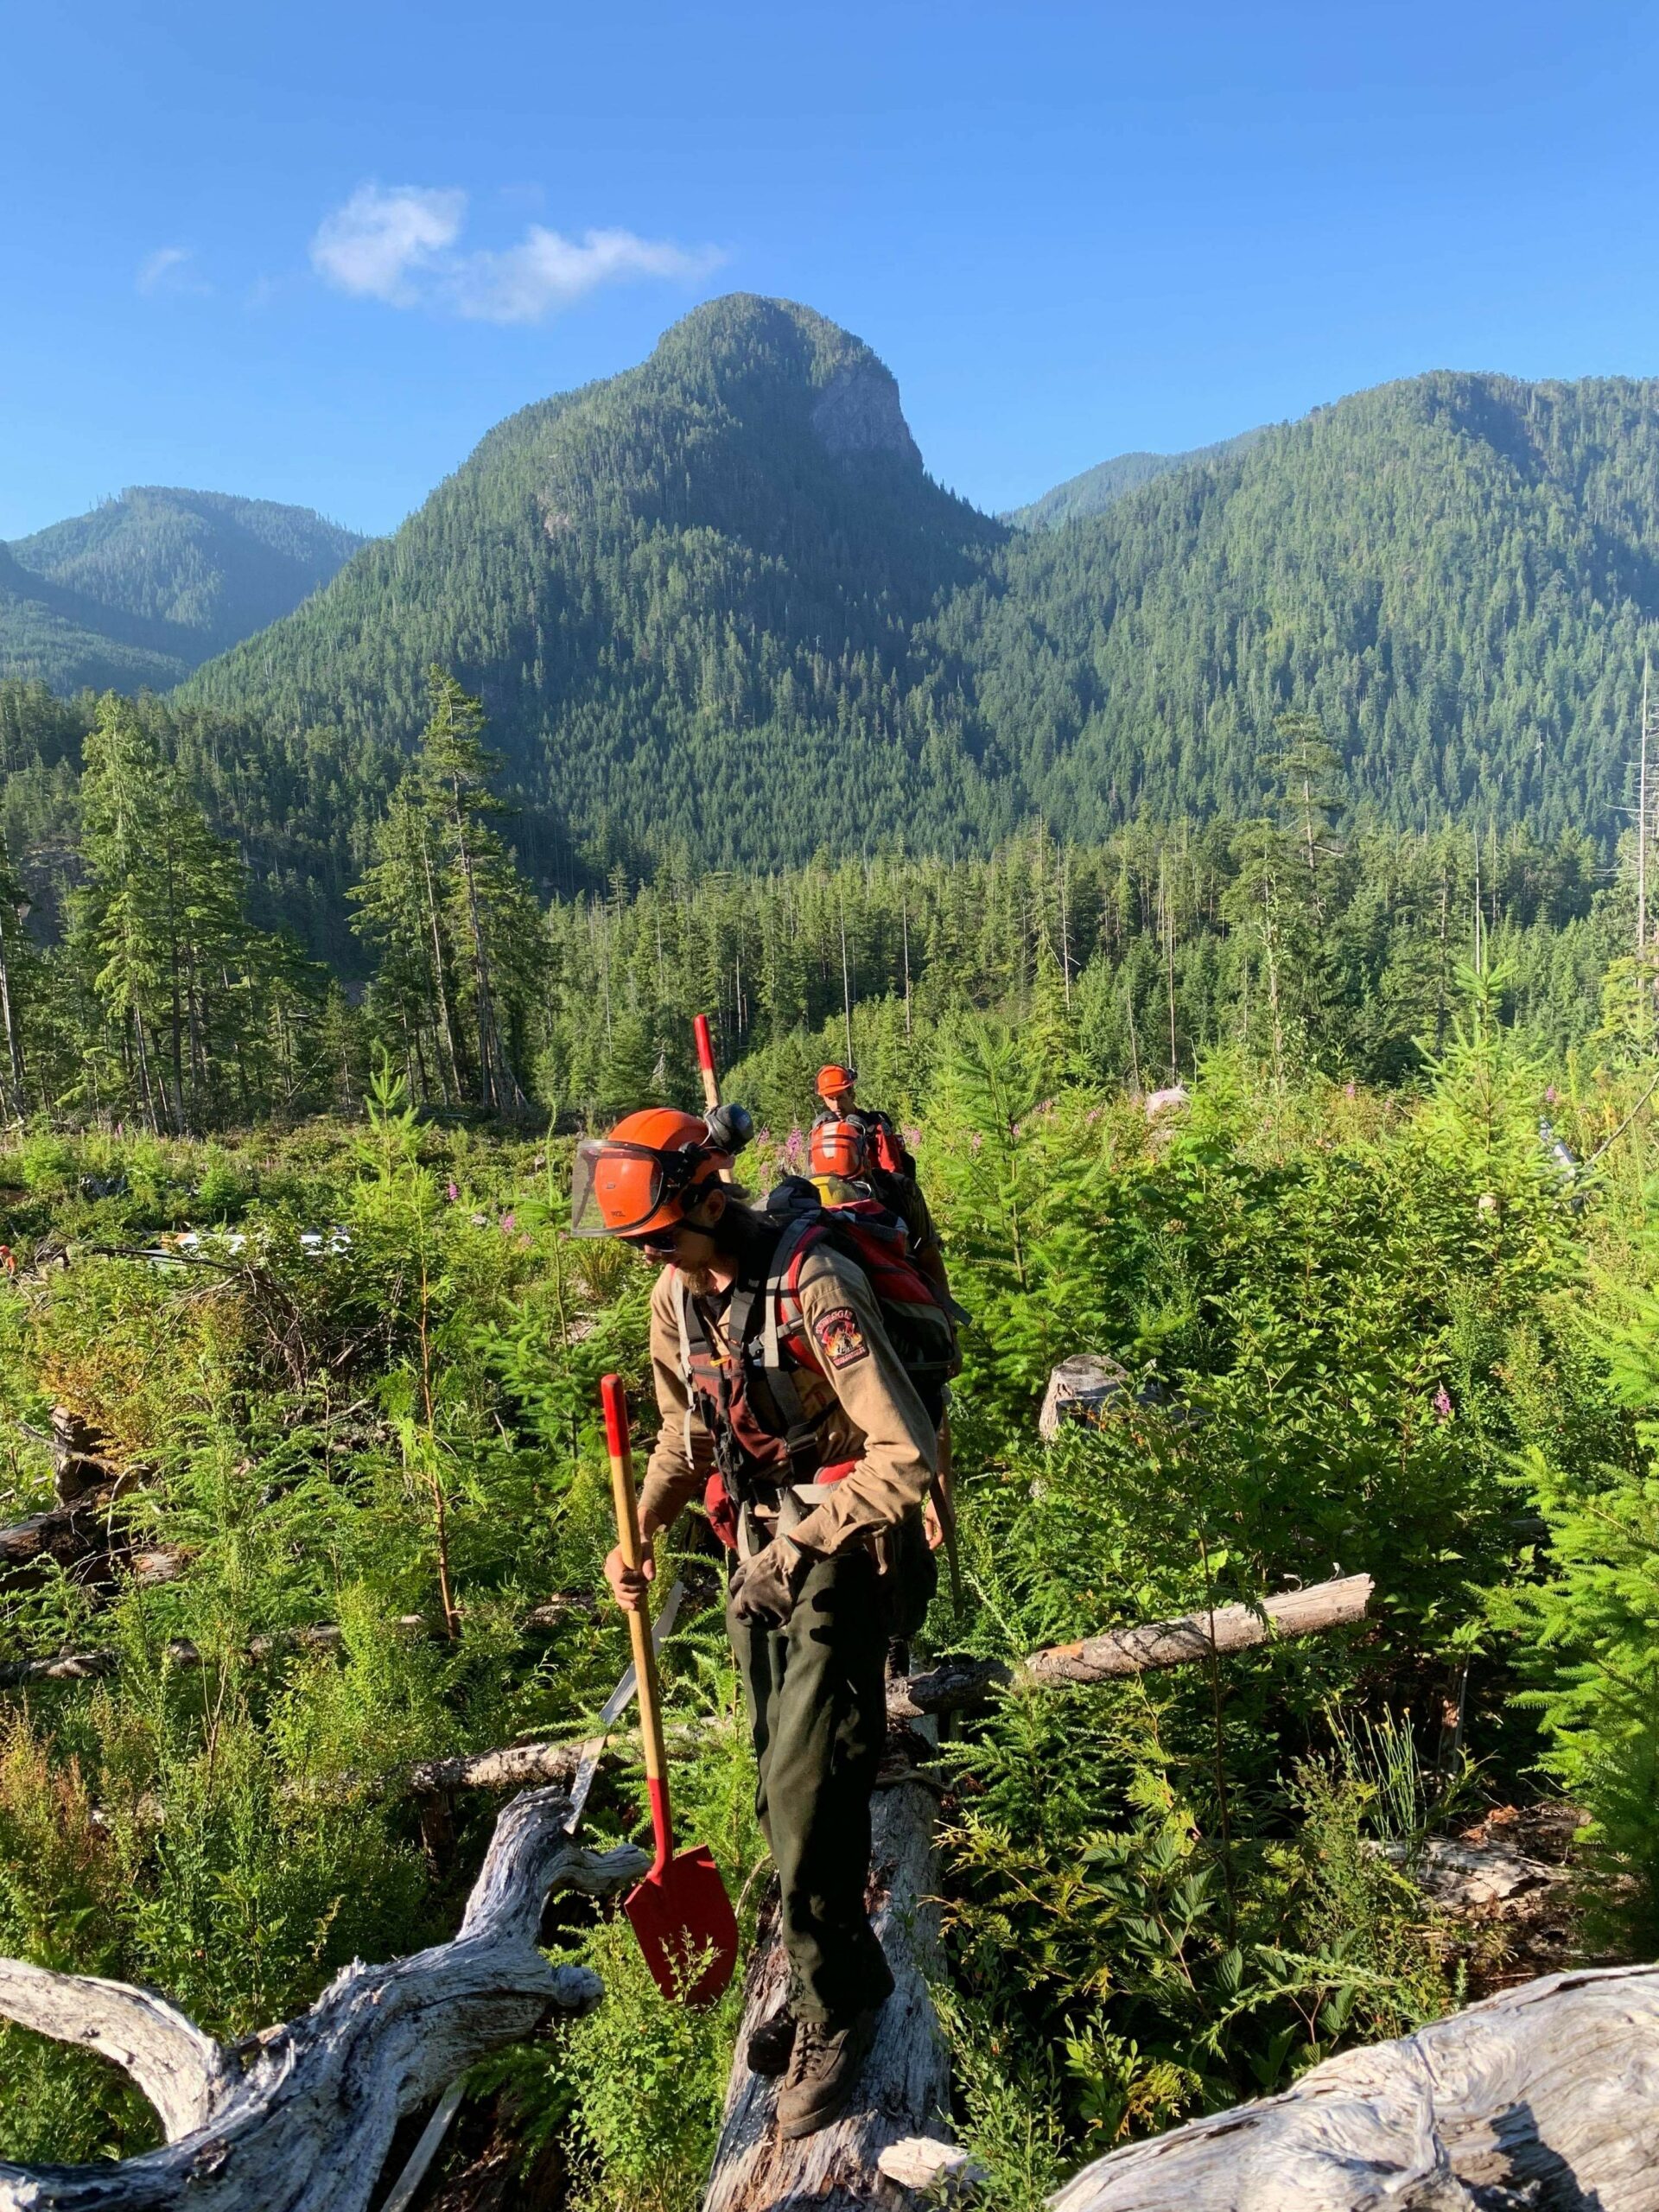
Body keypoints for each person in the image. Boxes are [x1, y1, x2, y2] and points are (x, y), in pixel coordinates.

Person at [573, 1106, 938, 2139]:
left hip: (840, 1549)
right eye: (639, 1248)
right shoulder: (677, 1299)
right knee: (787, 1776)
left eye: (661, 1238)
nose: (654, 1262)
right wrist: (636, 1533)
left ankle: (841, 2007)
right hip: (755, 1555)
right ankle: (834, 1965)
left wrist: (796, 1546)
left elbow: (901, 1455)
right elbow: (689, 1432)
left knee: (803, 1779)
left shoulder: (812, 1285)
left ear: (706, 1199)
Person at [811, 1064, 950, 1301]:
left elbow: (893, 1170)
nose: (836, 1106)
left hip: (881, 1198)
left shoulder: (875, 1125)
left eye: (841, 1097)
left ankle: (941, 1301)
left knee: (923, 1240)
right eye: (830, 1099)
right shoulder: (820, 1130)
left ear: (852, 1094)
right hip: (835, 1201)